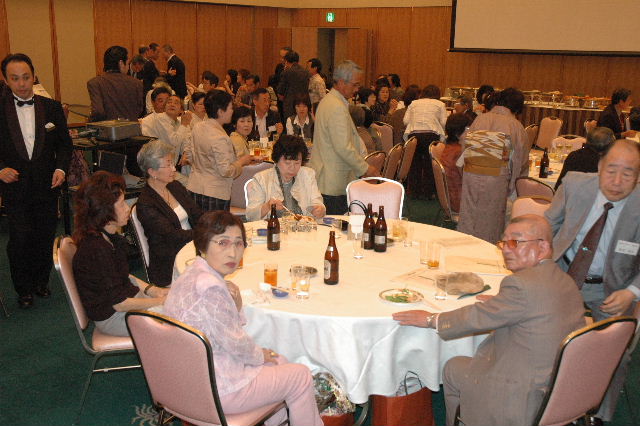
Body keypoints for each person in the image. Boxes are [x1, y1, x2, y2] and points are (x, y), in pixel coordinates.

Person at [393, 214, 585, 426]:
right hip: (560, 388)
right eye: (504, 242)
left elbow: (474, 318)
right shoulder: (565, 280)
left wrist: (431, 319)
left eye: (515, 242)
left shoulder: (520, 285)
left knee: (452, 368)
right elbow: (537, 306)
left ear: (543, 247)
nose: (506, 249)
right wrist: (504, 302)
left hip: (520, 395)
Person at [163, 211, 323, 426]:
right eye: (223, 243)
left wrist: (236, 308)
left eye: (239, 244)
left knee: (279, 361)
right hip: (217, 388)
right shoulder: (211, 288)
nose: (232, 253)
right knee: (300, 375)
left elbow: (219, 330)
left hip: (186, 378)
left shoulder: (191, 275)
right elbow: (236, 342)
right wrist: (259, 354)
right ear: (202, 246)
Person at [545, 139, 640, 424]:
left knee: (616, 352)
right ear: (599, 167)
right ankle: (545, 398)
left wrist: (632, 291)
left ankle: (599, 413)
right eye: (611, 170)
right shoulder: (575, 185)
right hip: (563, 274)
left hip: (612, 288)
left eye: (628, 173)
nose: (617, 181)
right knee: (540, 334)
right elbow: (549, 225)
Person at [0, 53, 73, 309]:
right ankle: (23, 289)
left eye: (26, 77)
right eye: (15, 79)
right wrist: (0, 169)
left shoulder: (51, 107)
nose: (21, 84)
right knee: (20, 238)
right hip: (15, 187)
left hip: (47, 184)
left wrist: (61, 168)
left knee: (45, 235)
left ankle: (41, 281)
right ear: (5, 80)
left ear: (34, 76)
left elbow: (65, 145)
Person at [72, 171, 169, 336]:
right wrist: (161, 301)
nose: (127, 209)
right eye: (122, 204)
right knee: (181, 317)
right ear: (106, 211)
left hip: (123, 304)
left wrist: (153, 290)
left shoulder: (107, 236)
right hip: (113, 317)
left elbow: (123, 277)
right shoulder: (96, 249)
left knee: (179, 303)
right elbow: (120, 304)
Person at [458, 88, 529, 243]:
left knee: (470, 214)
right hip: (497, 178)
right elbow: (520, 161)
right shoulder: (515, 126)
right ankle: (487, 249)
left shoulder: (480, 119)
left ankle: (465, 245)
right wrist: (512, 184)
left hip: (471, 174)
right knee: (491, 220)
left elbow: (464, 145)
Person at [308, 60, 379, 215]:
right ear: (341, 82)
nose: (357, 89)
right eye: (355, 85)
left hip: (329, 177)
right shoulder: (336, 107)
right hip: (333, 180)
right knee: (334, 225)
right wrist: (365, 168)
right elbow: (343, 147)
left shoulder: (330, 102)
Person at [135, 141, 203, 287]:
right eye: (168, 165)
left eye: (172, 163)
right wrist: (204, 233)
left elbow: (197, 213)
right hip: (169, 260)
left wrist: (213, 224)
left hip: (192, 246)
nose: (173, 168)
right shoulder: (146, 203)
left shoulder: (175, 186)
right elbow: (172, 236)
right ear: (152, 172)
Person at [187, 90, 257, 211]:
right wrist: (241, 162)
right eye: (230, 108)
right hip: (214, 193)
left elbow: (189, 155)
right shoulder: (220, 137)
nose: (232, 111)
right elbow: (226, 171)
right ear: (220, 111)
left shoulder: (198, 127)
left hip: (194, 187)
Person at [246, 135, 325, 221]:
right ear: (277, 160)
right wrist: (268, 206)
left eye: (297, 163)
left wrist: (320, 209)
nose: (292, 168)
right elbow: (250, 216)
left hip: (302, 227)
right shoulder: (262, 179)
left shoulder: (308, 175)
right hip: (273, 227)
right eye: (287, 163)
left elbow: (317, 202)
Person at [140, 94, 192, 184]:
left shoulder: (179, 122)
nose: (172, 104)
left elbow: (187, 141)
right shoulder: (161, 118)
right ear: (165, 108)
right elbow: (174, 141)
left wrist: (185, 152)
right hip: (159, 167)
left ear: (181, 110)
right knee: (189, 184)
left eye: (176, 103)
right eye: (169, 102)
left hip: (171, 166)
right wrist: (184, 124)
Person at [87, 45, 144, 122]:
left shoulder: (95, 83)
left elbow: (98, 111)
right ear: (121, 63)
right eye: (127, 64)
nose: (128, 67)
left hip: (108, 128)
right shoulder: (137, 83)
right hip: (132, 127)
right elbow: (139, 110)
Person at [440, 113, 470, 212]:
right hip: (461, 202)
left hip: (450, 198)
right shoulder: (460, 153)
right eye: (468, 129)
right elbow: (469, 180)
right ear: (458, 133)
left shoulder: (448, 148)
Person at [277, 51, 310, 120]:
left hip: (290, 105)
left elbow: (280, 90)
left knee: (290, 124)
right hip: (303, 104)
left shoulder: (286, 72)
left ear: (286, 61)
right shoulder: (306, 72)